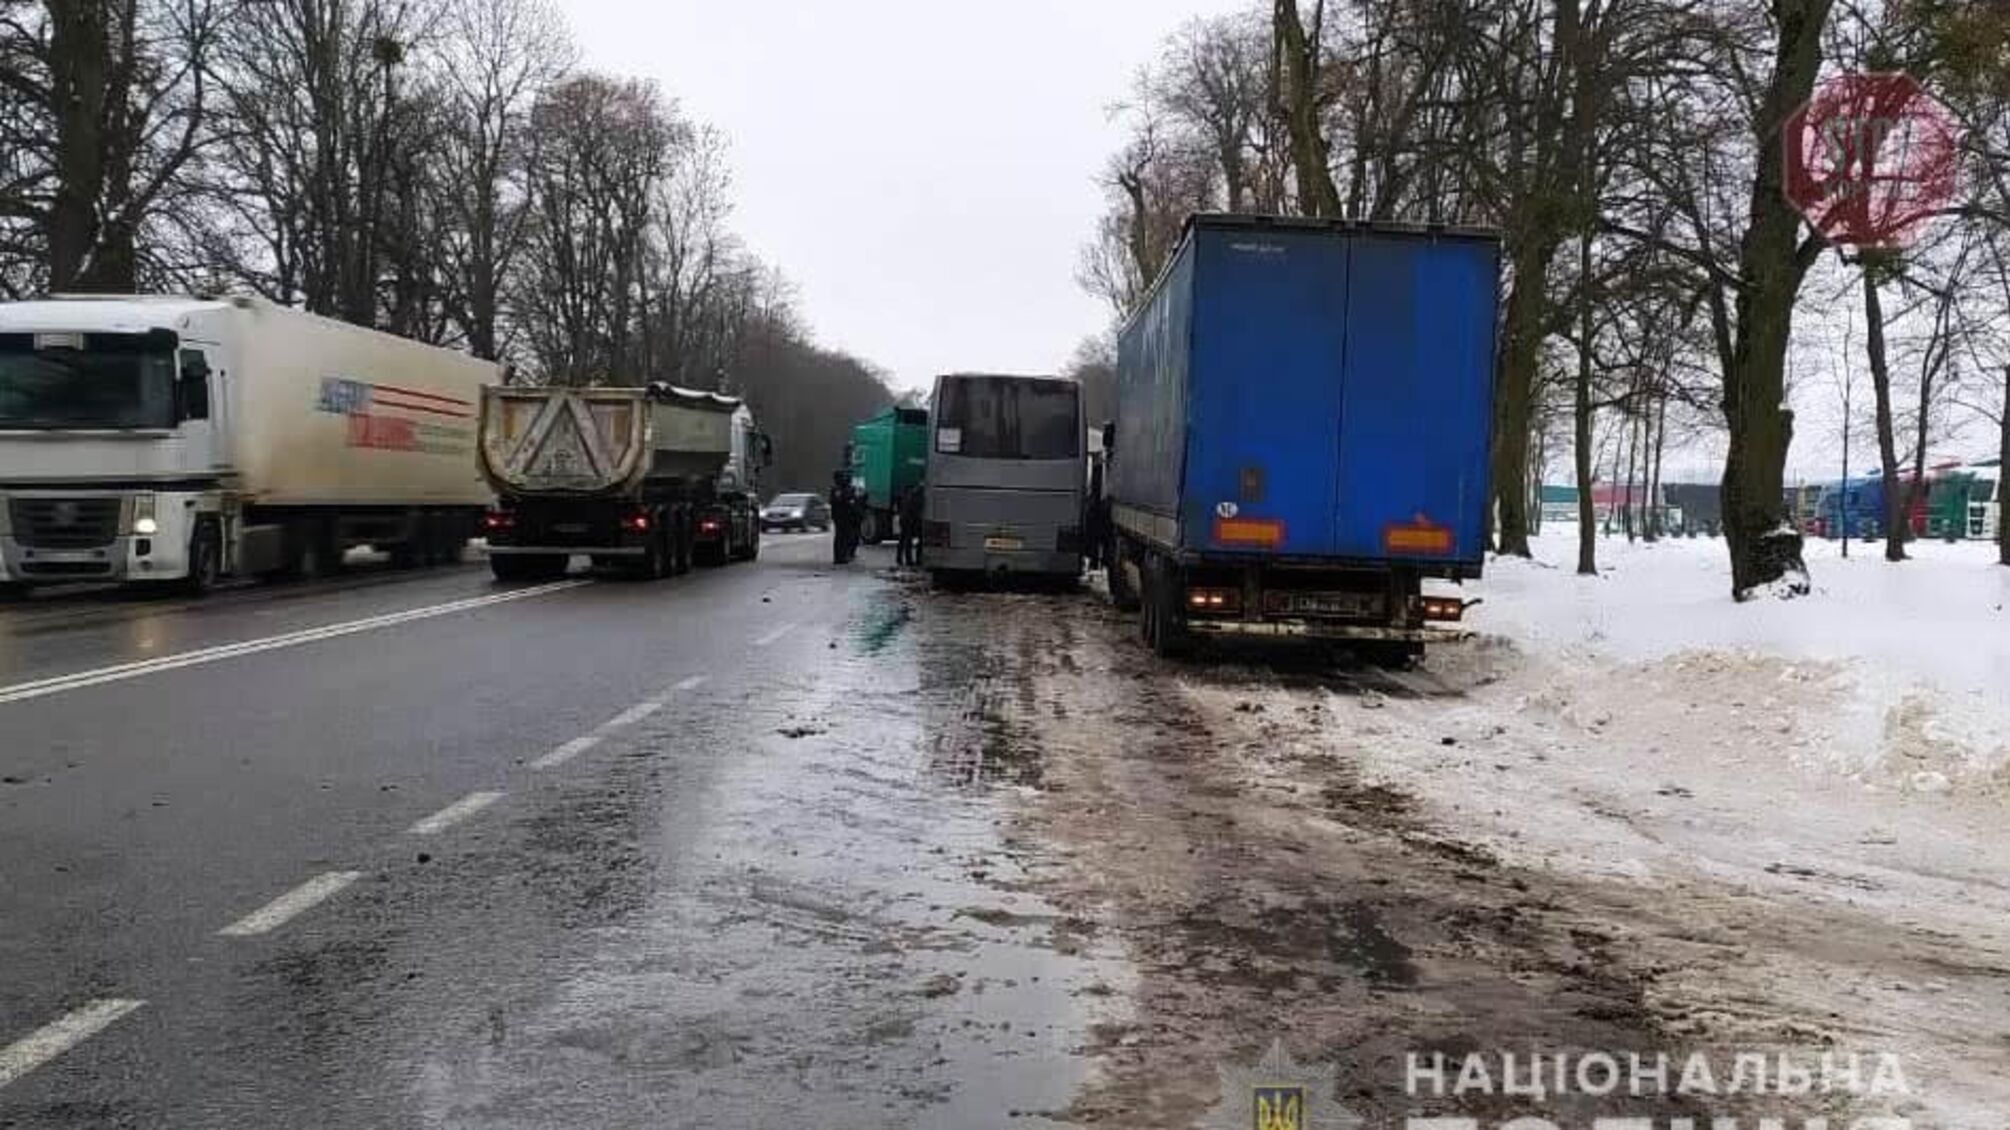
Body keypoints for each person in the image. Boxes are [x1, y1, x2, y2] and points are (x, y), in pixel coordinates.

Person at [830, 470, 857, 565]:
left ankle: (842, 556)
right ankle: (839, 557)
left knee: (845, 537)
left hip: (844, 515)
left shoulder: (844, 488)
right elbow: (839, 500)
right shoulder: (837, 489)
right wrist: (848, 499)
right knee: (841, 537)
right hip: (841, 516)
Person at [896, 482, 925, 567]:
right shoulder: (918, 496)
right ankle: (914, 560)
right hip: (910, 520)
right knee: (912, 540)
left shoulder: (909, 495)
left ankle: (899, 558)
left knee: (903, 539)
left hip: (904, 519)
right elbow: (916, 511)